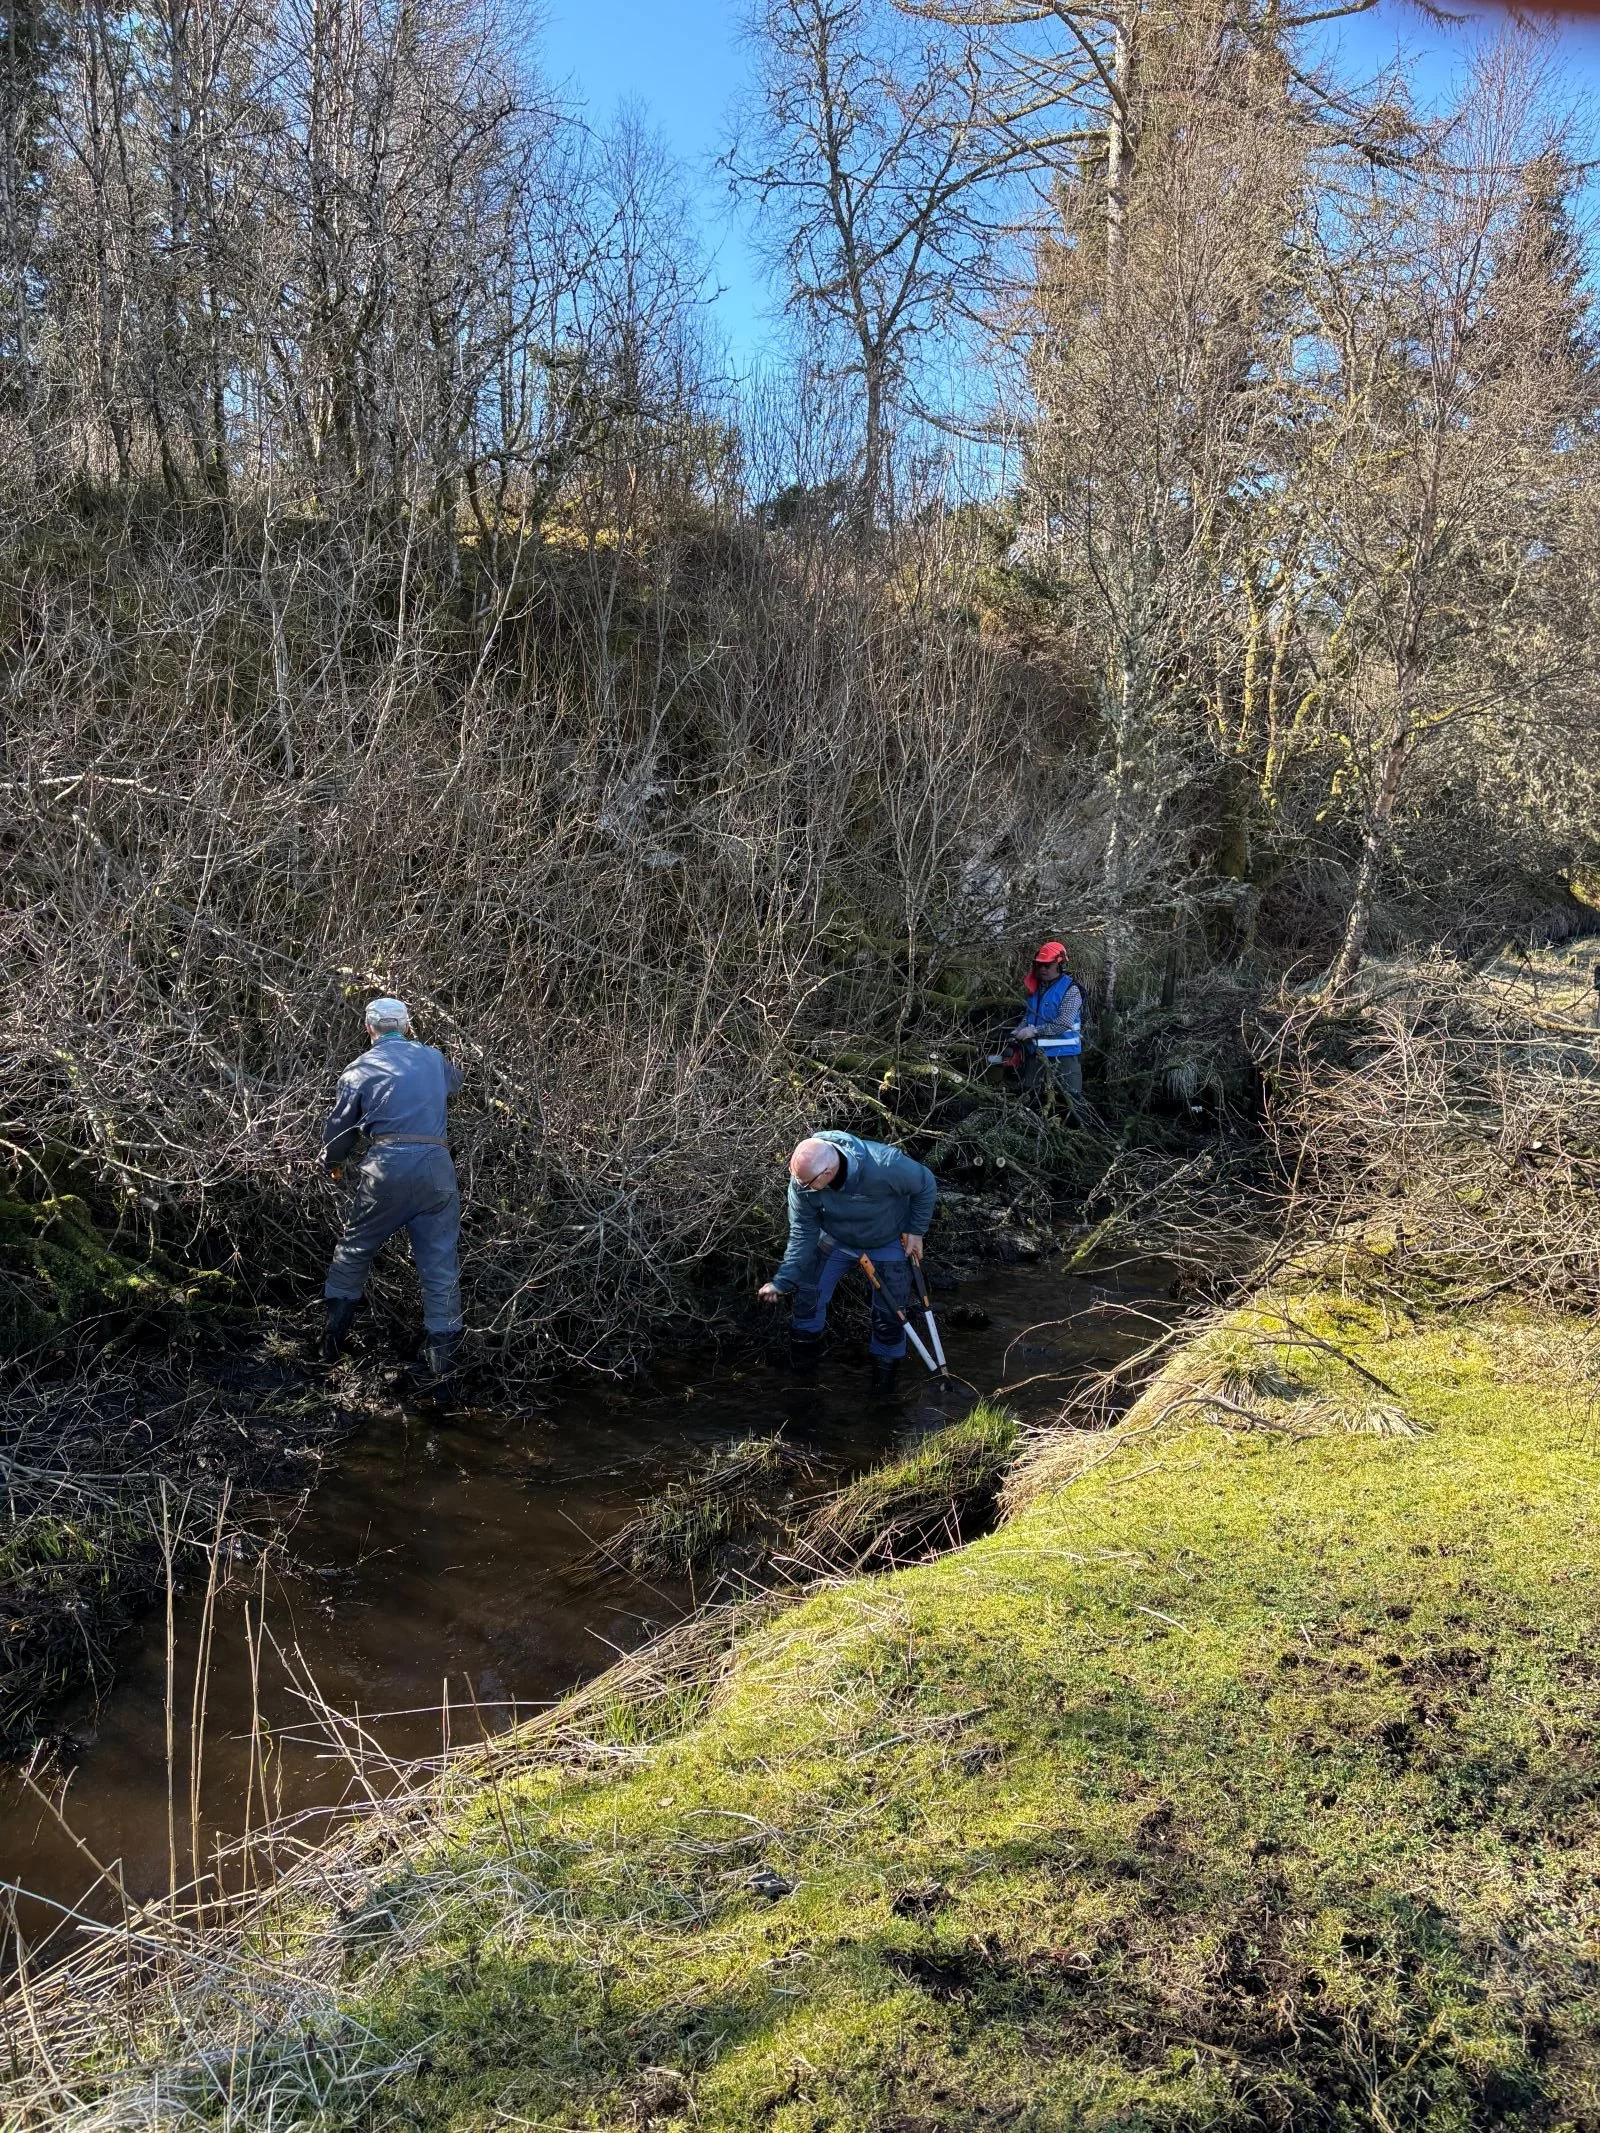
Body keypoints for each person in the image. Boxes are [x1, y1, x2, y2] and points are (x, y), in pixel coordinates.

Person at [320, 996, 464, 1375]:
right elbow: (456, 1083)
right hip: (436, 1166)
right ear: (406, 1025)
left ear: (369, 1028)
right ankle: (444, 1381)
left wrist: (332, 1164)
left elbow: (340, 1132)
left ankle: (329, 1350)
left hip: (386, 1167)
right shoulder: (434, 1058)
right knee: (440, 1268)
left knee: (354, 1250)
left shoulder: (358, 1069)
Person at [757, 1131, 938, 1396]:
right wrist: (783, 1281)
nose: (801, 1187)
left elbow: (925, 1183)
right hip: (834, 1240)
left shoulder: (885, 1164)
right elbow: (802, 1234)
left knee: (890, 1317)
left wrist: (916, 1230)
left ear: (827, 1172)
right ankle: (802, 1384)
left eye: (807, 1183)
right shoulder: (802, 1183)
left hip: (887, 1240)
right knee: (808, 1299)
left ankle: (883, 1395)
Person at [1011, 939, 1085, 1108]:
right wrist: (1018, 1031)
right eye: (1039, 965)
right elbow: (1029, 1016)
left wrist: (1034, 1031)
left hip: (1064, 1054)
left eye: (1047, 965)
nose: (1042, 969)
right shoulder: (1035, 988)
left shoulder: (1071, 990)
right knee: (1028, 1097)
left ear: (1059, 965)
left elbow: (1063, 1023)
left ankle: (1074, 1129)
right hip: (1036, 1053)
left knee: (1072, 1101)